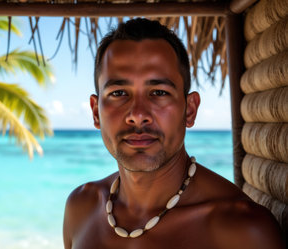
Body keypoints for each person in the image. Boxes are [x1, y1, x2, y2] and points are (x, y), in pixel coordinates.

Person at [63, 18, 285, 249]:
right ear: (95, 112)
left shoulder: (242, 230)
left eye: (158, 92)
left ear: (189, 109)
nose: (138, 114)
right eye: (119, 93)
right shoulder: (81, 207)